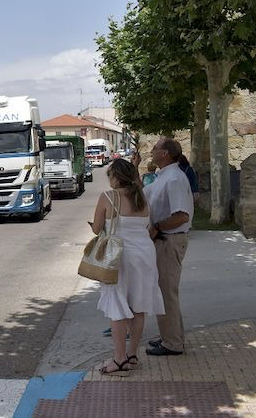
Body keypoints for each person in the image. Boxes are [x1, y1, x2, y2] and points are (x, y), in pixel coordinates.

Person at [91, 158, 165, 375]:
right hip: (144, 255)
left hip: (119, 257)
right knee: (138, 306)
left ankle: (119, 359)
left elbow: (96, 229)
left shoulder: (108, 197)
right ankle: (132, 354)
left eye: (110, 175)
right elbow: (146, 225)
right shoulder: (142, 197)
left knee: (117, 306)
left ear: (116, 177)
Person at [134, 137, 194, 356]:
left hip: (169, 240)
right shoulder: (164, 176)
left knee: (167, 293)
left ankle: (173, 343)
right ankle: (170, 336)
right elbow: (142, 194)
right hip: (163, 240)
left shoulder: (174, 179)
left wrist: (157, 227)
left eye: (156, 148)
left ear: (165, 153)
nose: (152, 150)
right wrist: (134, 167)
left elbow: (182, 216)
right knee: (164, 292)